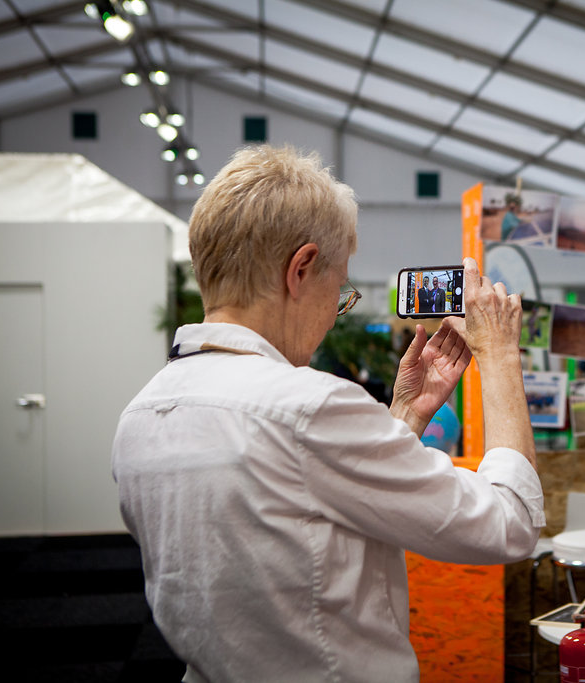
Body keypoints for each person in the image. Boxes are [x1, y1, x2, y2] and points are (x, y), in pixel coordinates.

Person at [111, 145, 544, 683]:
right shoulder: (308, 406)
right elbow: (509, 523)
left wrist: (404, 415)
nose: (335, 314)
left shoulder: (141, 415)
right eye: (339, 290)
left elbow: (303, 515)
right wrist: (500, 354)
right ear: (301, 268)